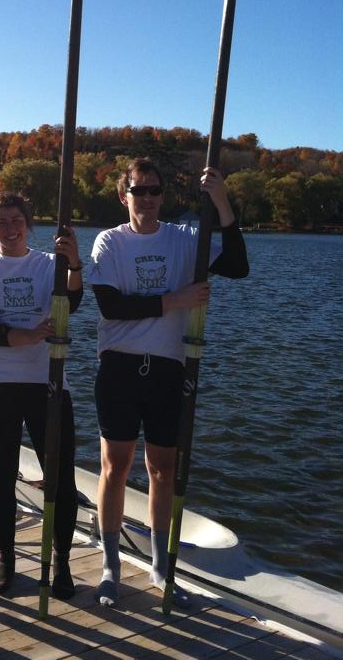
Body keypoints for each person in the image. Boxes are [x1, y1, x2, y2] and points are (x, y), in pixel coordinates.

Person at [88, 158, 249, 608]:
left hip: (167, 369)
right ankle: (110, 566)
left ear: (163, 196)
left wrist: (220, 200)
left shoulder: (185, 240)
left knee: (162, 470)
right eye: (138, 191)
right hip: (119, 367)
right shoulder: (110, 242)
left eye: (154, 191)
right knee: (114, 467)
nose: (147, 199)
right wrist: (175, 300)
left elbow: (238, 265)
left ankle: (160, 567)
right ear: (125, 196)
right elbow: (111, 307)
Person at [0, 191, 83, 599]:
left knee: (61, 478)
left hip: (47, 382)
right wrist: (28, 335)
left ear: (28, 224)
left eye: (17, 221)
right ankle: (7, 560)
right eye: (1, 223)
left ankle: (62, 561)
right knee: (1, 475)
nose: (10, 229)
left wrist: (76, 263)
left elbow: (75, 301)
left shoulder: (51, 265)